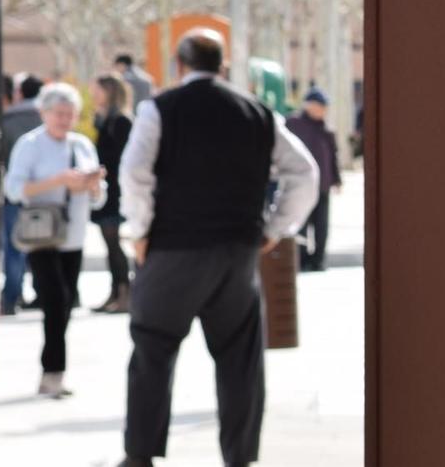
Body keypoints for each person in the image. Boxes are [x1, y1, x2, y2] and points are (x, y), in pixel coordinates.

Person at [116, 29, 318, 467]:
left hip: (172, 248)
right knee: (239, 359)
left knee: (153, 348)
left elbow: (134, 173)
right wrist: (275, 229)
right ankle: (240, 458)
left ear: (178, 65)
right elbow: (305, 173)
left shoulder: (159, 110)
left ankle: (140, 456)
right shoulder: (258, 112)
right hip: (237, 251)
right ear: (223, 66)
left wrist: (140, 231)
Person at [5, 82, 107, 398]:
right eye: (59, 113)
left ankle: (53, 369)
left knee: (64, 305)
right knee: (55, 299)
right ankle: (53, 372)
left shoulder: (82, 146)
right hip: (42, 235)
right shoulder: (30, 144)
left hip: (73, 235)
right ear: (45, 113)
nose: (64, 120)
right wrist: (58, 180)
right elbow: (14, 189)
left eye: (70, 114)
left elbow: (99, 199)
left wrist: (90, 185)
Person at [0, 73, 45, 315]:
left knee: (15, 247)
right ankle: (42, 292)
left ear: (20, 93)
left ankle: (11, 297)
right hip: (46, 194)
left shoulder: (7, 119)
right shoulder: (47, 117)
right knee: (43, 243)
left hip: (14, 192)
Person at [285, 87, 343, 271]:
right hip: (300, 185)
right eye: (320, 106)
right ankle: (301, 260)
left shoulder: (326, 129)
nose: (323, 110)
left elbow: (333, 156)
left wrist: (337, 179)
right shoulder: (293, 124)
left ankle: (317, 261)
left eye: (324, 107)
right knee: (300, 224)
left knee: (321, 226)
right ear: (309, 106)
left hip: (323, 185)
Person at [92, 74, 135, 311]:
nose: (94, 95)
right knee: (109, 244)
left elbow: (122, 158)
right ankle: (115, 292)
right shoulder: (105, 119)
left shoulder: (120, 121)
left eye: (98, 90)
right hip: (106, 191)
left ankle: (123, 293)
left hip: (116, 192)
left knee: (113, 243)